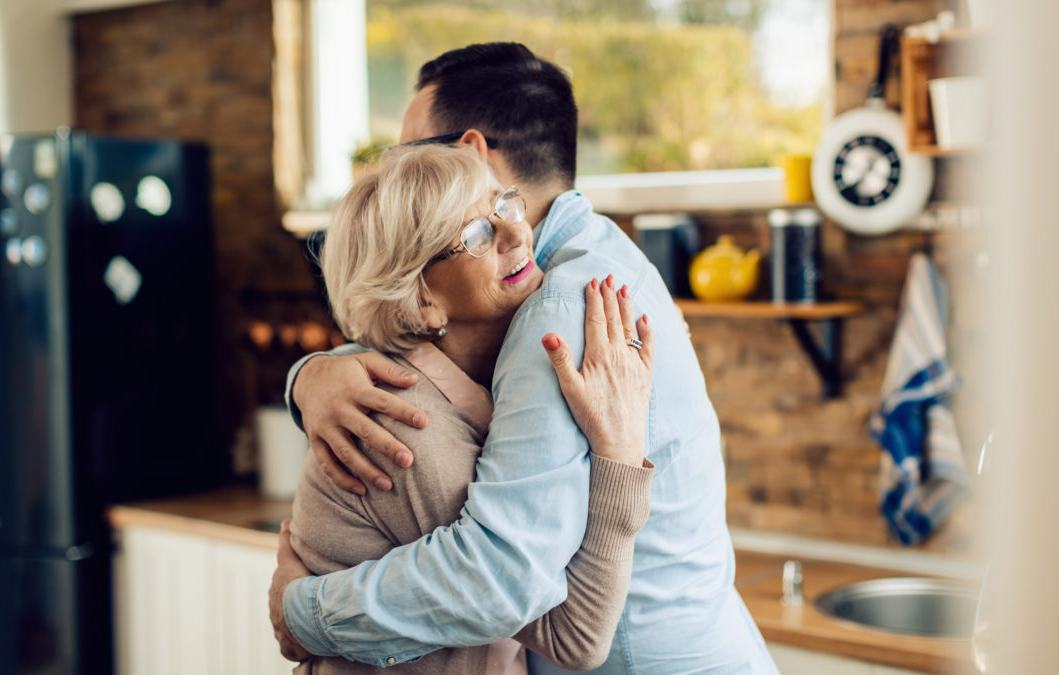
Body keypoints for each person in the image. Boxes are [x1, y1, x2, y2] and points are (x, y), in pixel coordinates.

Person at [272, 43, 776, 673]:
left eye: (409, 154)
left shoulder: (559, 305)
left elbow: (503, 581)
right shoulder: (592, 256)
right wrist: (311, 373)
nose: (398, 171)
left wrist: (303, 613)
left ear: (468, 155)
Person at [277, 142, 657, 674]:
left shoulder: (469, 389)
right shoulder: (405, 422)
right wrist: (619, 449)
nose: (516, 233)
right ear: (421, 298)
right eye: (476, 235)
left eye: (503, 205)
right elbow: (578, 635)